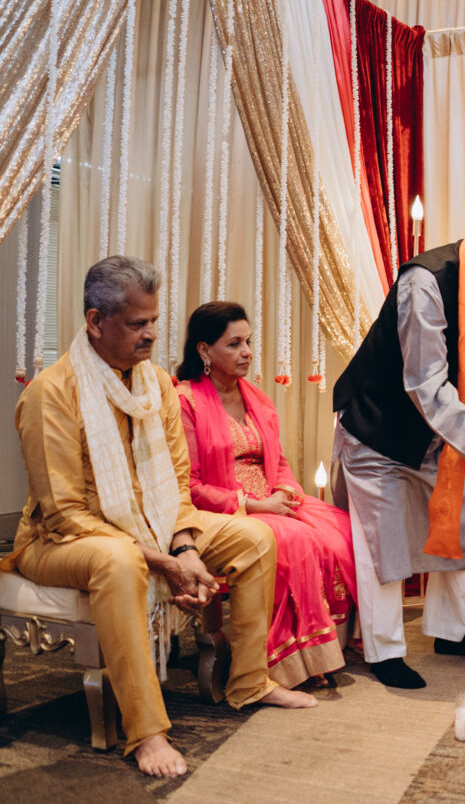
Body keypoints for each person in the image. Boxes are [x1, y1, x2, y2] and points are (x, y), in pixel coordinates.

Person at [8, 257, 315, 779]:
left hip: (151, 525)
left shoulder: (155, 384)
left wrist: (186, 548)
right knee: (119, 561)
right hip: (58, 541)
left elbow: (176, 484)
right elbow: (64, 512)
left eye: (153, 320)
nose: (151, 333)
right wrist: (165, 561)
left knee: (254, 538)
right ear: (95, 321)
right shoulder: (52, 392)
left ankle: (249, 682)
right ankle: (147, 730)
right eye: (137, 323)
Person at [331, 197, 465, 689]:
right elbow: (424, 384)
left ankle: (452, 632)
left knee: (461, 522)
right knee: (385, 540)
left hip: (439, 432)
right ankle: (385, 651)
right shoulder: (425, 281)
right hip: (378, 424)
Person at [175, 302, 357, 689]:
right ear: (204, 350)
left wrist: (285, 490)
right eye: (234, 344)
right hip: (228, 510)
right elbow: (189, 486)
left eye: (248, 342)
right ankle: (292, 661)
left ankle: (332, 647)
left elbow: (280, 461)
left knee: (343, 529)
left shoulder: (256, 399)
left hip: (273, 498)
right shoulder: (185, 402)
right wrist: (257, 505)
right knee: (299, 539)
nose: (247, 352)